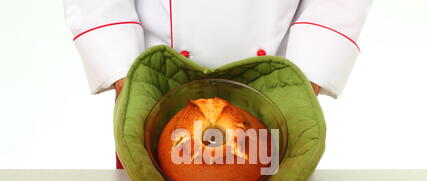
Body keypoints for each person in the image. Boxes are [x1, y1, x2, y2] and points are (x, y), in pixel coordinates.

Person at [64, 0, 372, 168]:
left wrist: (300, 85)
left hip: (271, 94)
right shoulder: (145, 91)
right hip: (157, 94)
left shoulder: (281, 93)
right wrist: (129, 82)